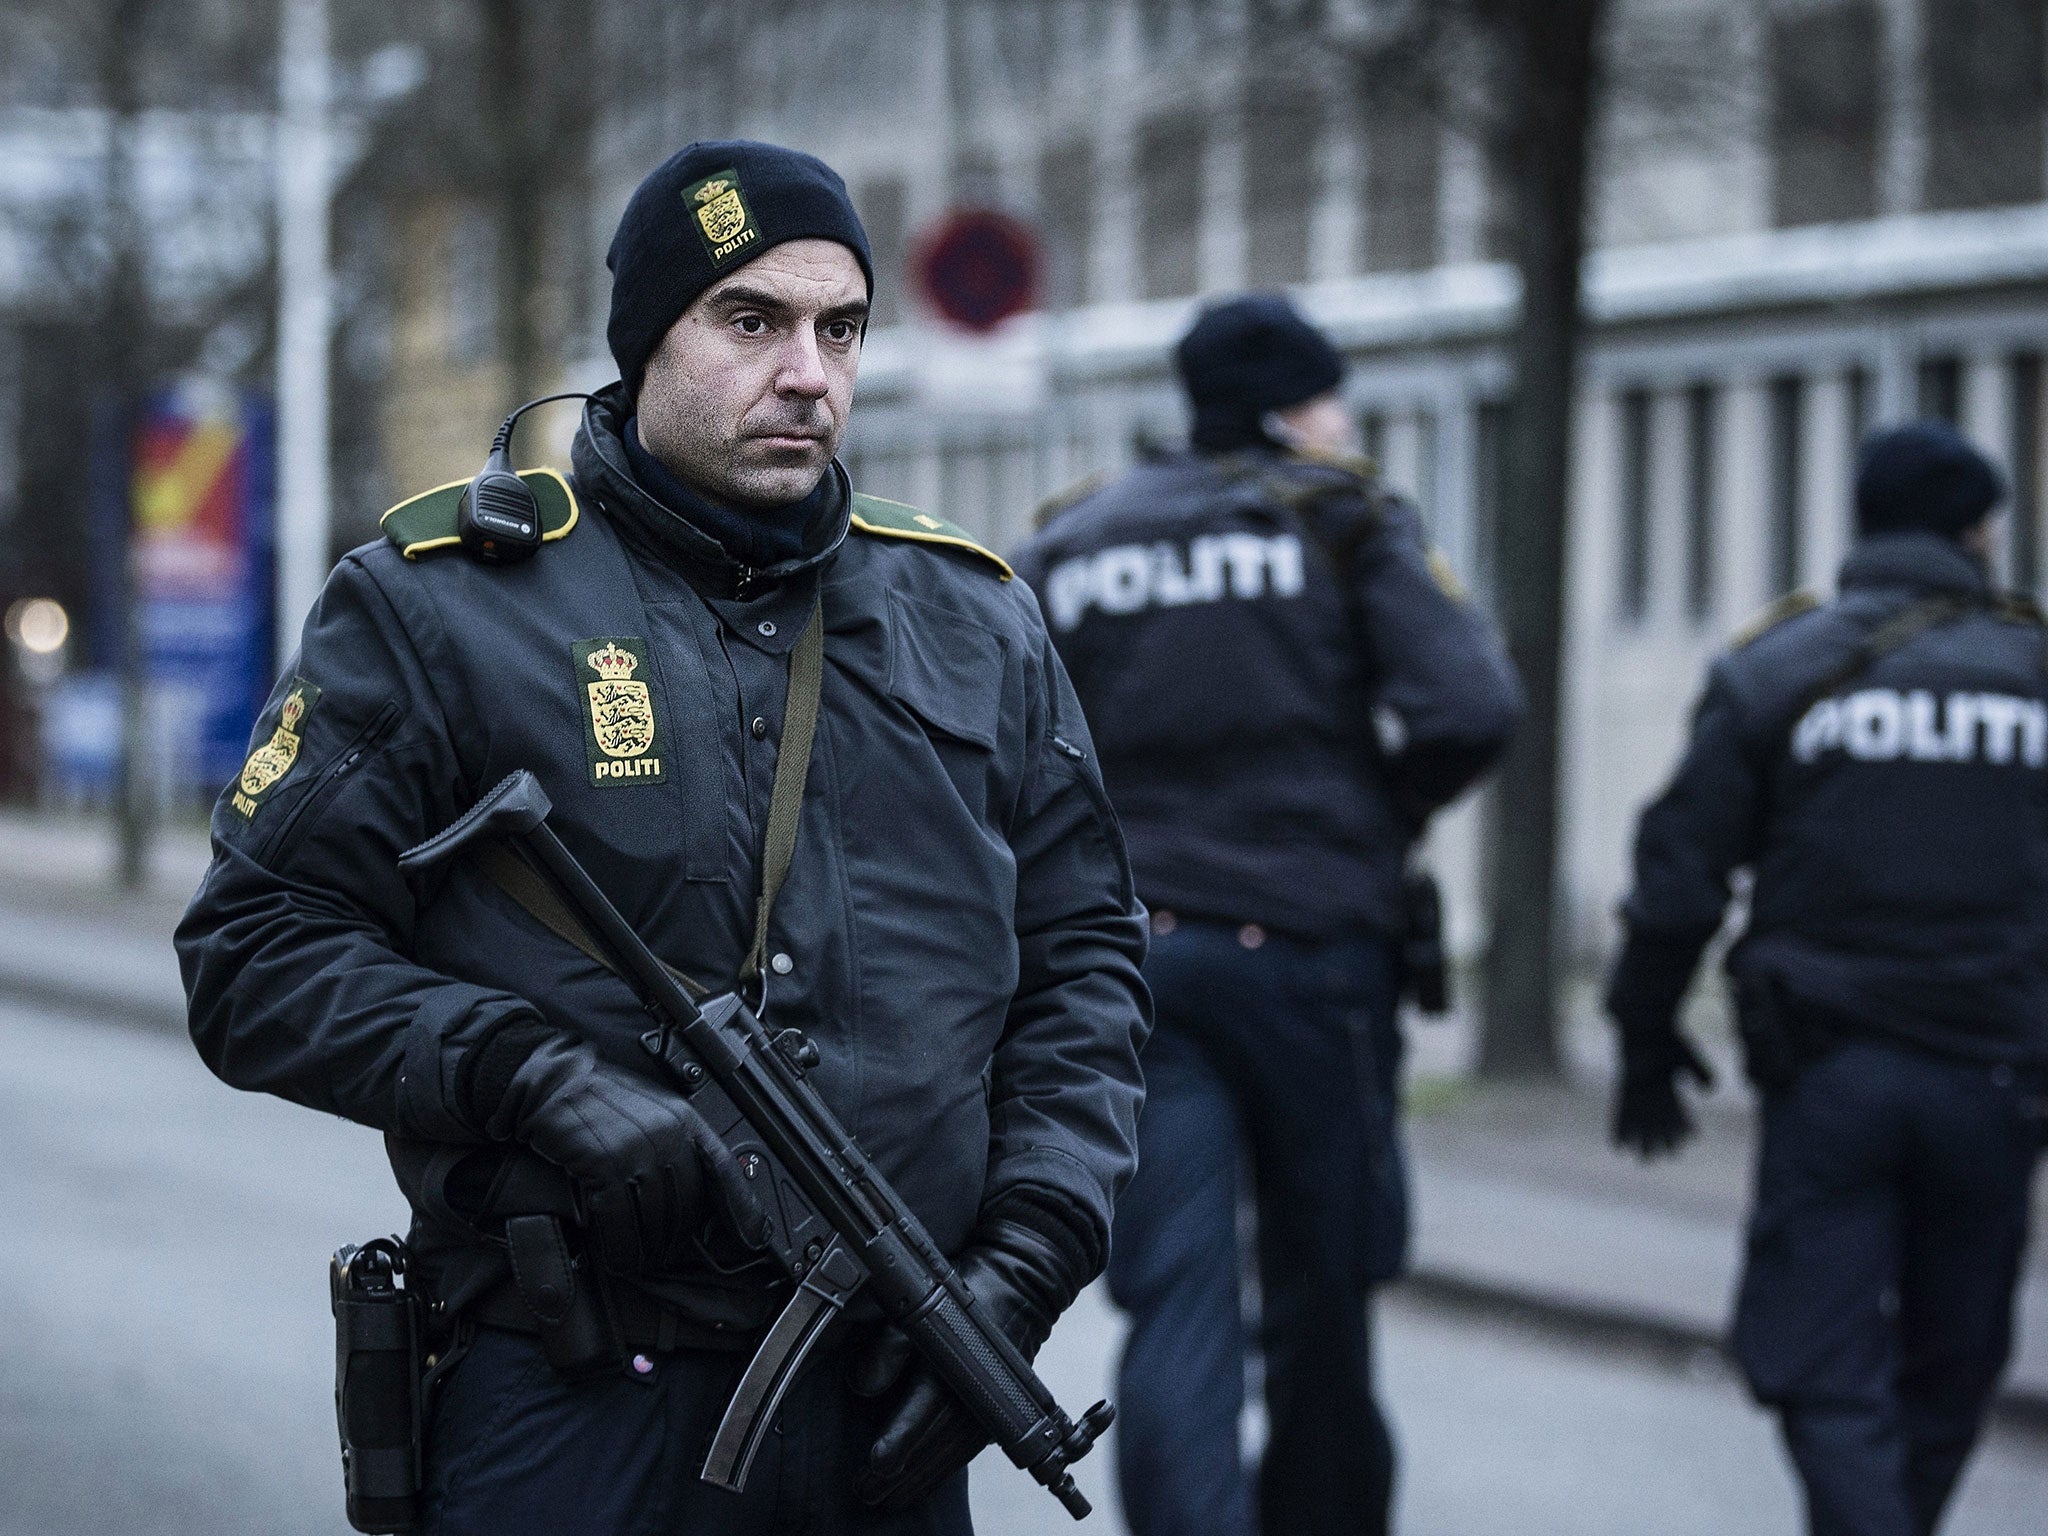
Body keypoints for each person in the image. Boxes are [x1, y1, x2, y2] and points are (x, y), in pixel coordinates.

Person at [176, 139, 1150, 1536]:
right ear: (643, 344)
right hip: (570, 1386)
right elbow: (253, 954)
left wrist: (1033, 1254)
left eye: (841, 327)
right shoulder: (446, 608)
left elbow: (1087, 965)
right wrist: (520, 1075)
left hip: (893, 1384)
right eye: (750, 321)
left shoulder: (973, 618)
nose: (807, 373)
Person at [1012, 294, 1522, 1536]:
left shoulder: (1074, 540)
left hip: (1135, 968)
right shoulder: (1338, 516)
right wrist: (1377, 815)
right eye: (1330, 397)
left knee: (1174, 1293)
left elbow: (1000, 740)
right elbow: (1470, 706)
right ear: (1296, 409)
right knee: (1322, 1288)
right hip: (1313, 963)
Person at [1607, 420, 2048, 1536]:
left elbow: (1676, 874)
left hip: (1829, 1071)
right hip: (1995, 1076)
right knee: (1953, 1363)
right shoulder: (2032, 670)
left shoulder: (1777, 669)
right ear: (1978, 533)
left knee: (1818, 1359)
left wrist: (1644, 1039)